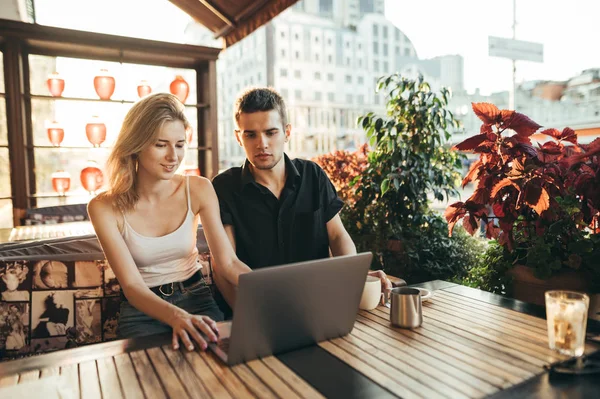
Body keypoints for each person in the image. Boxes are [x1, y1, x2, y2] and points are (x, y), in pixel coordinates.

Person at [88, 93, 251, 351]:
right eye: (160, 144)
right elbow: (132, 286)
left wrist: (269, 292)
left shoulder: (198, 189)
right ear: (136, 145)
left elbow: (228, 262)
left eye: (179, 144)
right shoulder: (103, 207)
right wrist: (177, 317)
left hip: (198, 299)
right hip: (143, 311)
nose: (173, 156)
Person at [212, 87, 392, 313]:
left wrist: (354, 277)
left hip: (318, 302)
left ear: (287, 132)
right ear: (239, 137)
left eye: (271, 132)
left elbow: (337, 236)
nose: (262, 143)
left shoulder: (313, 176)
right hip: (260, 307)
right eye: (251, 134)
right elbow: (222, 266)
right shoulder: (224, 187)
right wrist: (247, 316)